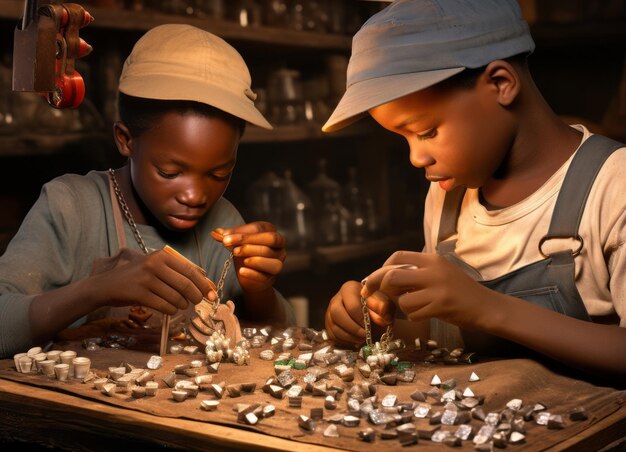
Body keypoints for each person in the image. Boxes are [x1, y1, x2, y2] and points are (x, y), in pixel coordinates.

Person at [322, 0, 626, 382]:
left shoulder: (614, 185)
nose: (416, 158)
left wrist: (490, 309)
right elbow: (445, 332)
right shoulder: (448, 198)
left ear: (501, 84)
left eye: (426, 131)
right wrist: (379, 324)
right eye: (403, 139)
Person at [0, 24, 294, 358]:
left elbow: (280, 341)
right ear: (125, 140)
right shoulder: (70, 207)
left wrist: (259, 291)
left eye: (218, 173)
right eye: (170, 172)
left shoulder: (223, 220)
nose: (195, 196)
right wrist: (99, 289)